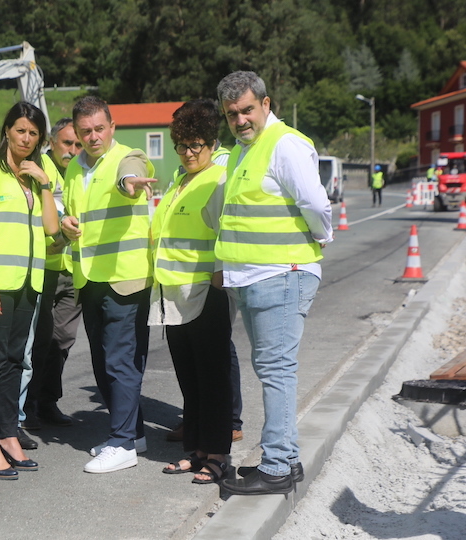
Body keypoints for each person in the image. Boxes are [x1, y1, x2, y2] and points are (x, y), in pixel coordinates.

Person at [214, 71, 333, 496]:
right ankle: (287, 459)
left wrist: (323, 235)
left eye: (247, 109)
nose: (241, 120)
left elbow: (315, 202)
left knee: (276, 370)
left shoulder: (285, 144)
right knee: (270, 368)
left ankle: (278, 466)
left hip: (282, 274)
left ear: (266, 103)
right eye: (232, 114)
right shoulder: (246, 150)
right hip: (257, 277)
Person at [0, 102, 59, 479]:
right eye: (20, 130)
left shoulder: (40, 171)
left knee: (15, 362)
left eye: (33, 133)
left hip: (29, 283)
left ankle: (7, 434)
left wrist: (46, 183)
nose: (26, 138)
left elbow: (51, 228)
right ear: (7, 130)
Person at [60, 96, 156, 473]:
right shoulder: (73, 170)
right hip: (90, 276)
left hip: (125, 277)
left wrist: (129, 182)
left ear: (112, 127)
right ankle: (134, 433)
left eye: (100, 128)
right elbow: (74, 214)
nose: (93, 136)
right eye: (85, 131)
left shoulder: (128, 157)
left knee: (121, 361)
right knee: (103, 360)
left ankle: (122, 444)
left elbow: (129, 174)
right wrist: (68, 225)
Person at [152, 99, 233, 485]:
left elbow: (226, 233)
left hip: (204, 294)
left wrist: (218, 278)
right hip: (173, 296)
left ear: (212, 143)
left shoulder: (218, 179)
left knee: (212, 378)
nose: (186, 152)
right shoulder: (180, 181)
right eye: (181, 145)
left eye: (195, 145)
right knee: (189, 379)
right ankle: (197, 450)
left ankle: (217, 455)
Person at [24, 117, 83, 428]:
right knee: (39, 340)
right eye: (67, 143)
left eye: (77, 144)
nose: (73, 150)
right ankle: (29, 405)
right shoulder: (38, 167)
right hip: (44, 267)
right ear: (52, 142)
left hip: (72, 268)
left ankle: (48, 401)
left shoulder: (80, 171)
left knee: (62, 341)